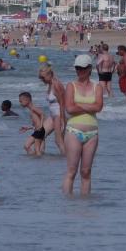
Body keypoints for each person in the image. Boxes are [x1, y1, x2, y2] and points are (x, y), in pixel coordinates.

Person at [63, 54, 104, 196]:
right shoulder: (71, 86)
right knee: (72, 171)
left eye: (82, 68)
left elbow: (99, 107)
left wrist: (79, 104)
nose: (79, 71)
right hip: (73, 131)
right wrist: (89, 106)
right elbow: (69, 108)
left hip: (92, 133)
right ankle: (67, 205)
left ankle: (85, 206)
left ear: (89, 69)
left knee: (86, 172)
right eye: (77, 68)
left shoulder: (97, 87)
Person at [38, 63, 66, 154]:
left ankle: (67, 160)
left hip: (59, 114)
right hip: (53, 115)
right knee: (40, 135)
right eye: (41, 78)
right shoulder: (49, 84)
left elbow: (62, 103)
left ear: (50, 74)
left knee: (59, 141)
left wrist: (62, 119)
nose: (42, 80)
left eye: (43, 78)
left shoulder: (56, 84)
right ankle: (40, 156)